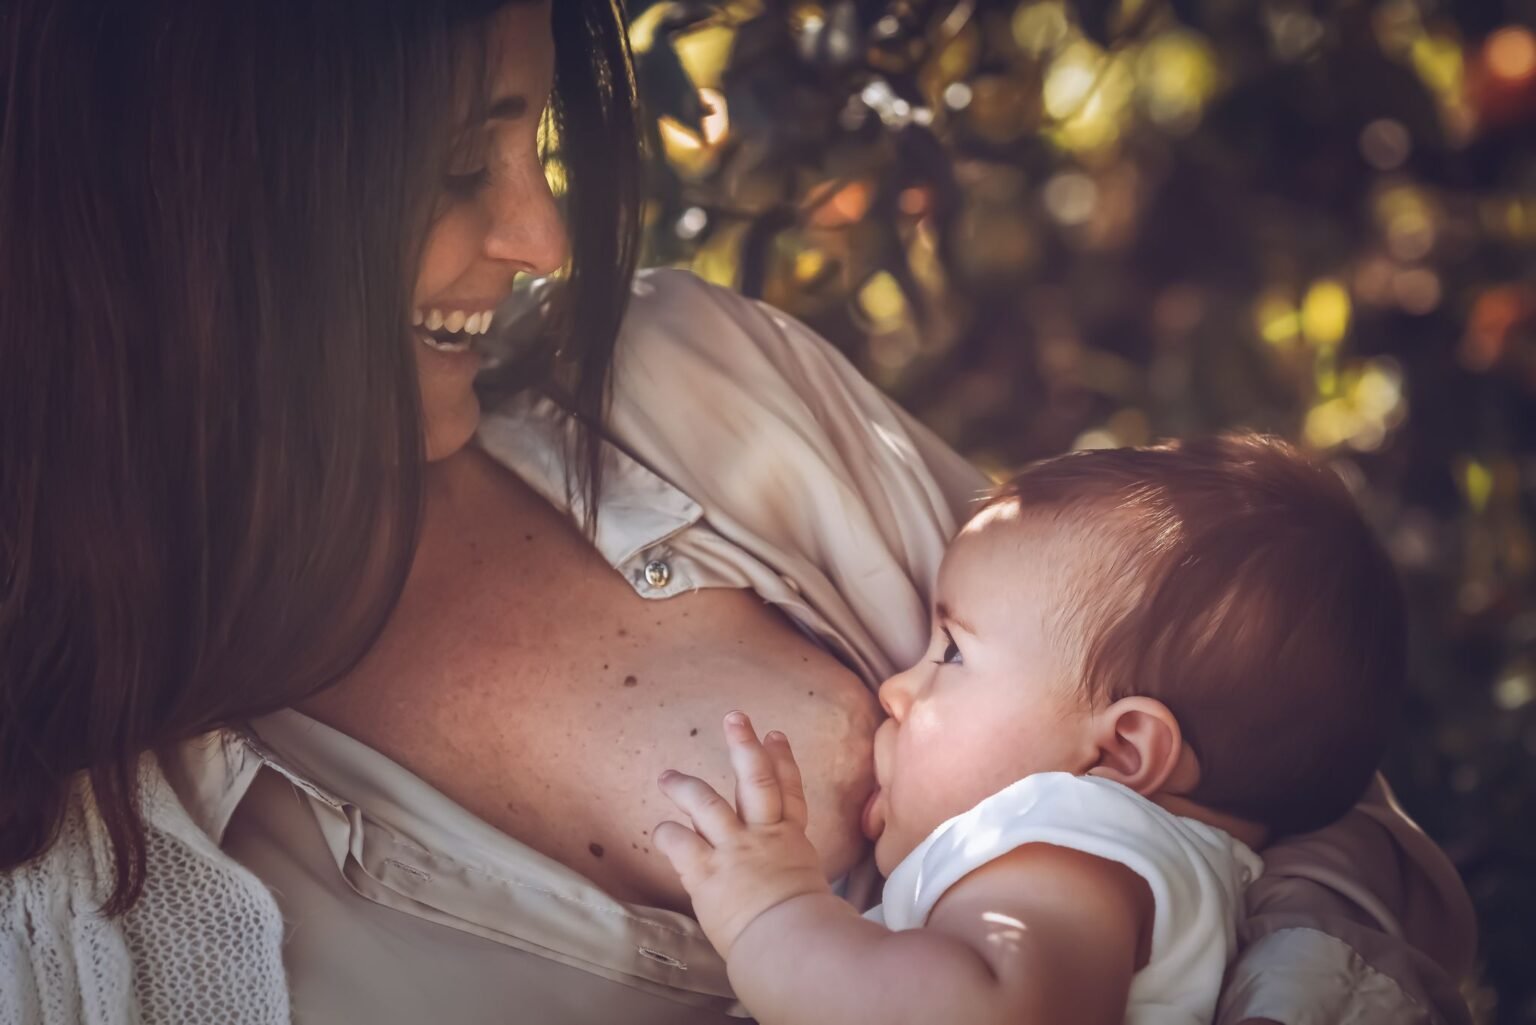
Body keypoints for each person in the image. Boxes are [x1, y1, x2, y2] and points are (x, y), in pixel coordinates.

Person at [0, 1, 1475, 1023]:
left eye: (538, 151)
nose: (538, 238)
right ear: (192, 221)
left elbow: (1296, 793)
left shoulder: (700, 389)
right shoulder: (65, 894)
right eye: (459, 170)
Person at [655, 435, 1413, 1025]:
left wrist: (774, 912)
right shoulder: (1132, 860)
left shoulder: (1075, 837)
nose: (896, 687)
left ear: (1120, 751)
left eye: (952, 651)